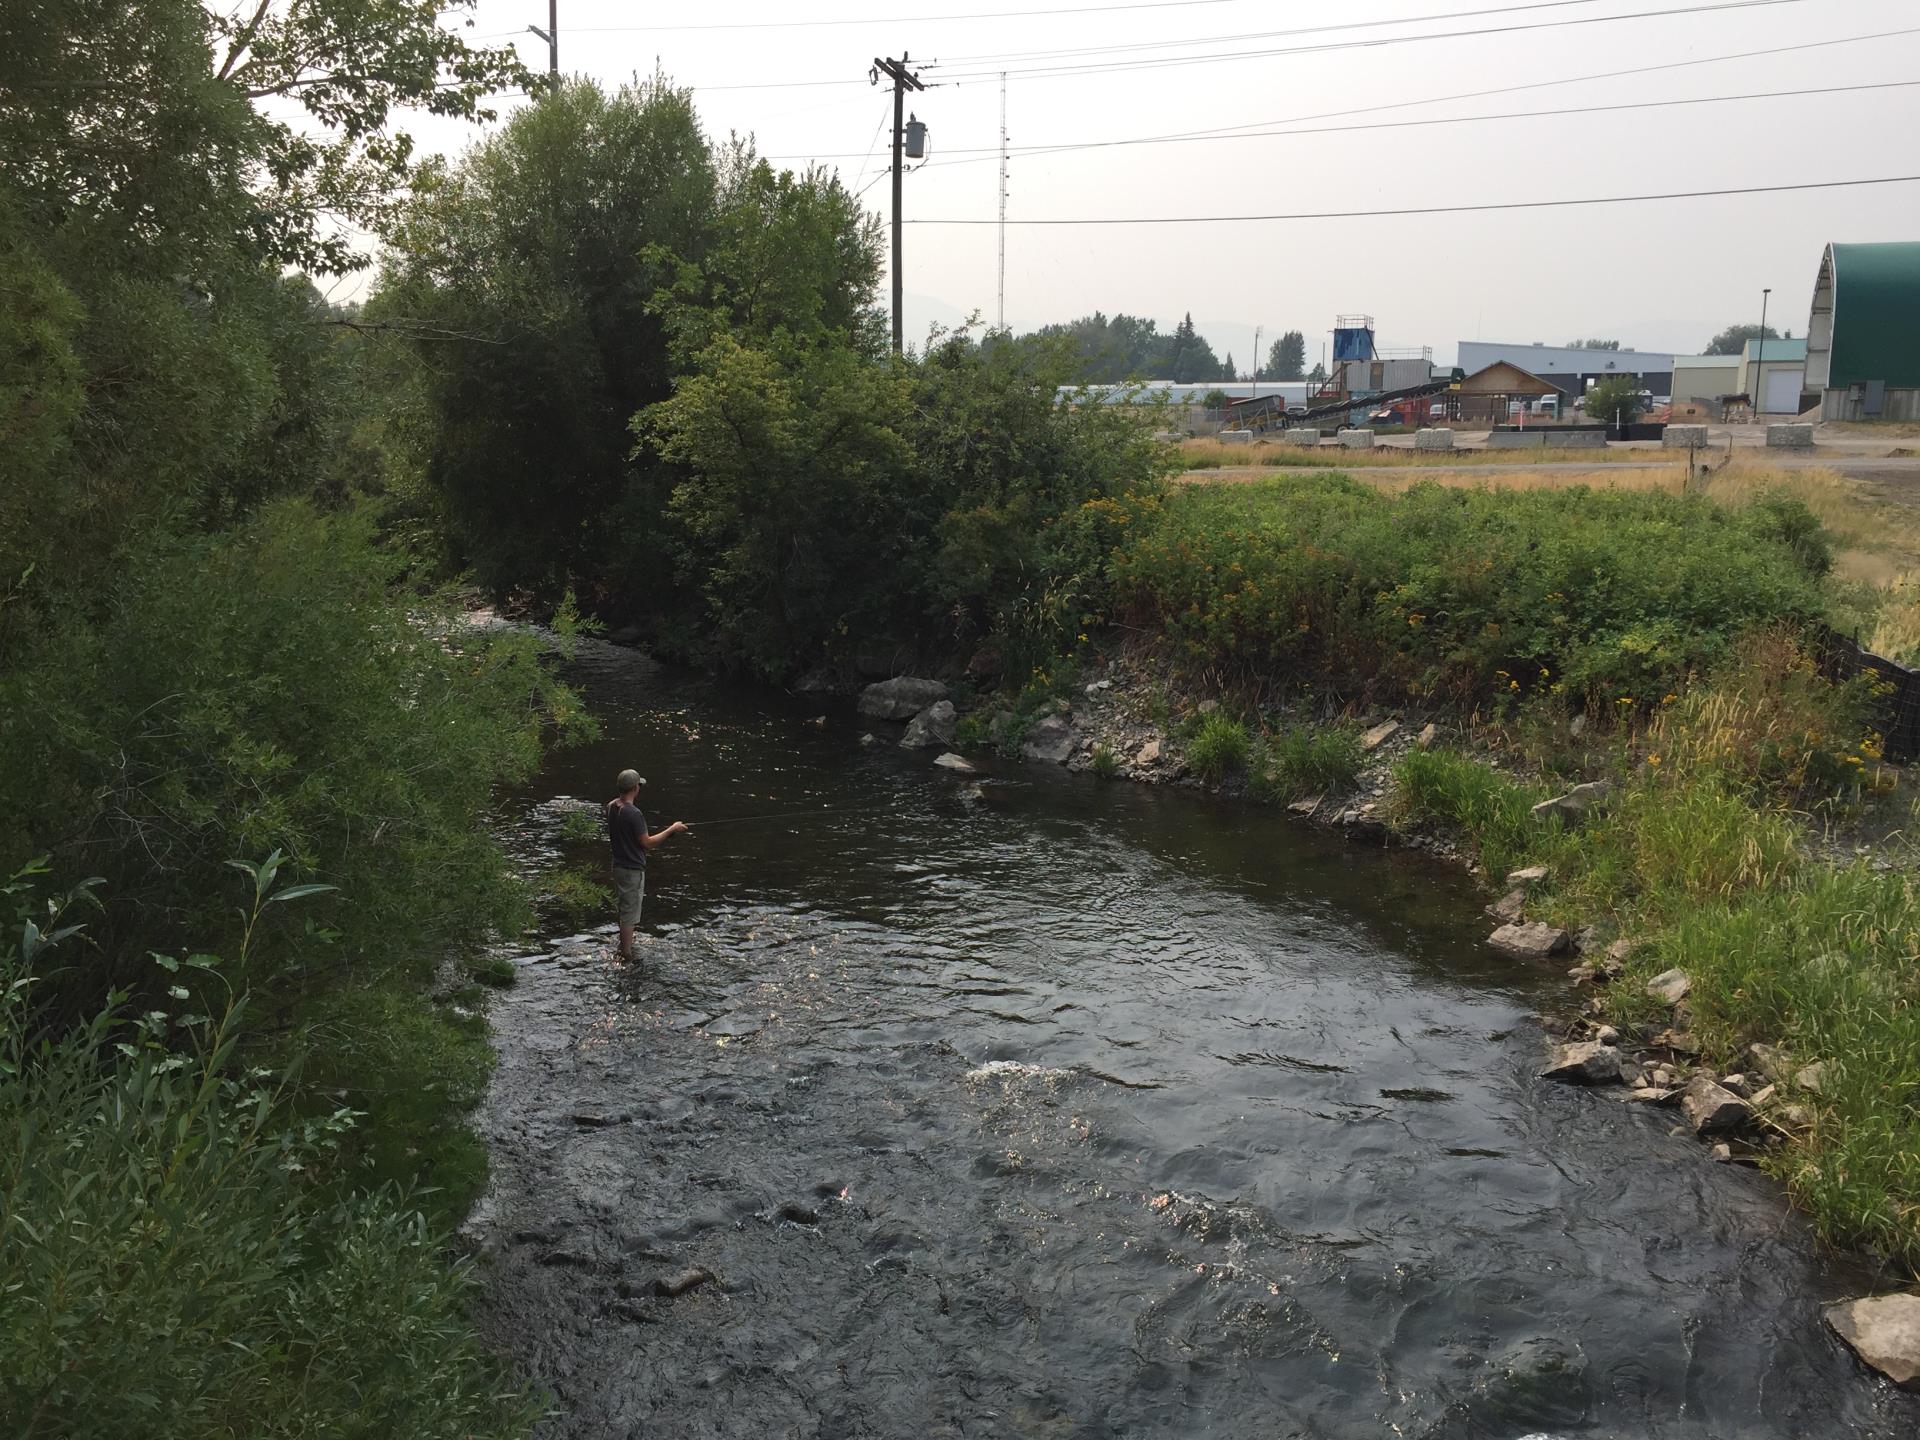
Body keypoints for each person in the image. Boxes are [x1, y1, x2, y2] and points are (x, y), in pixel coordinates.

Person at [606, 768, 687, 962]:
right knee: (630, 912)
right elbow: (647, 843)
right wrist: (672, 830)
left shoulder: (611, 806)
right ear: (635, 788)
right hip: (631, 869)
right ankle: (626, 953)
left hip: (618, 865)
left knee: (625, 907)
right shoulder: (634, 813)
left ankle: (624, 944)